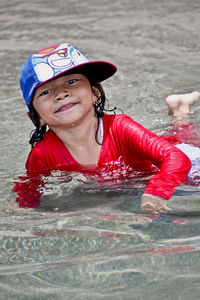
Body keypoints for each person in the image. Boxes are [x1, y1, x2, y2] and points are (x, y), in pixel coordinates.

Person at [14, 42, 191, 213]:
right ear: (37, 117)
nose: (61, 93)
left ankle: (181, 113)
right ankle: (178, 110)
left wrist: (158, 191)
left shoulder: (119, 128)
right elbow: (29, 188)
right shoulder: (43, 154)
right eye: (45, 91)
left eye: (72, 81)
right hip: (124, 185)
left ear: (95, 92)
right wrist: (23, 211)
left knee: (186, 144)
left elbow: (176, 157)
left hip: (175, 158)